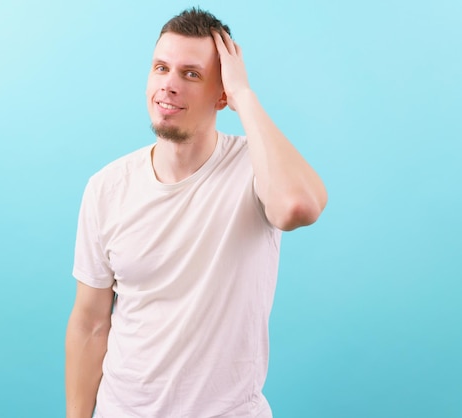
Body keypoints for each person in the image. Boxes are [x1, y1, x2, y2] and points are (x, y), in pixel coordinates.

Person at [65, 7, 327, 418]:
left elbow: (297, 207)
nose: (168, 85)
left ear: (221, 94)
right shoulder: (106, 187)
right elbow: (90, 323)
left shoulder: (257, 169)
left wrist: (244, 95)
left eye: (191, 74)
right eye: (161, 68)